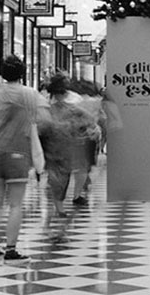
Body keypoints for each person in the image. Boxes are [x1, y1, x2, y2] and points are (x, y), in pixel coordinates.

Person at [0, 55, 46, 260]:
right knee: (16, 204)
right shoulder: (30, 94)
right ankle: (10, 248)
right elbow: (44, 119)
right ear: (22, 73)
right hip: (18, 152)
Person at [39, 74, 100, 242]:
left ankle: (57, 208)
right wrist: (89, 130)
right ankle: (59, 209)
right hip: (64, 150)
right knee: (60, 179)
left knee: (57, 180)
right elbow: (90, 121)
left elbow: (38, 128)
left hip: (53, 152)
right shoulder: (70, 109)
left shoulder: (46, 110)